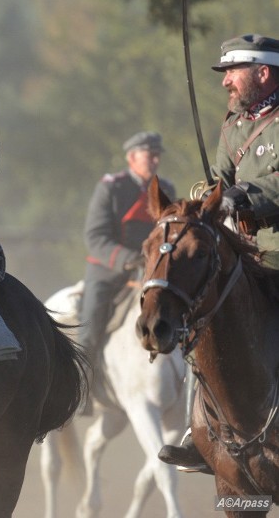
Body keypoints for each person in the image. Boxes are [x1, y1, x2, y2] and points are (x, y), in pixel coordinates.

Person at [159, 33, 279, 472]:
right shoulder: (233, 125)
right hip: (248, 254)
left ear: (263, 73)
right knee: (205, 319)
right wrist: (210, 197)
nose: (226, 82)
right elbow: (221, 181)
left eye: (233, 72)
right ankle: (205, 428)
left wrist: (241, 197)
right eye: (225, 74)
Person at [79, 131, 175, 415]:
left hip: (152, 271)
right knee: (90, 324)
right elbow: (95, 237)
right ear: (132, 158)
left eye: (158, 155)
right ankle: (81, 391)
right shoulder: (111, 188)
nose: (155, 160)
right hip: (109, 270)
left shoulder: (165, 187)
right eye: (150, 155)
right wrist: (129, 259)